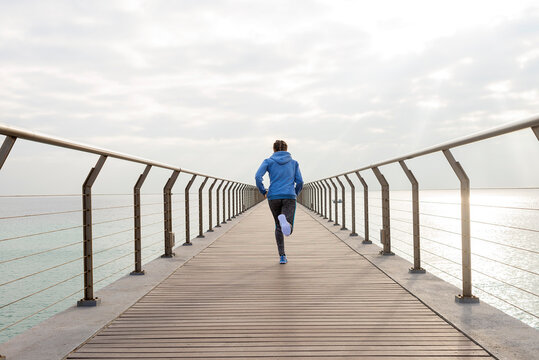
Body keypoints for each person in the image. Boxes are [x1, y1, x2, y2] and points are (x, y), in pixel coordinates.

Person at [255, 140, 303, 264]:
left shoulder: (268, 161)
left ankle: (282, 256)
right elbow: (300, 182)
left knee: (278, 227)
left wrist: (263, 191)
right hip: (289, 196)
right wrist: (295, 193)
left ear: (274, 149)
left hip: (273, 196)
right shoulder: (294, 163)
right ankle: (285, 223)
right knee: (288, 227)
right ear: (286, 149)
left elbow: (257, 177)